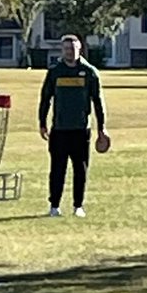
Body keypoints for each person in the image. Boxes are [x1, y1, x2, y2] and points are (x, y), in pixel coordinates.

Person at [38, 34, 109, 217]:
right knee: (57, 169)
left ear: (80, 49)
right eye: (66, 49)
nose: (70, 52)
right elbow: (46, 98)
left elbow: (98, 101)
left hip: (80, 129)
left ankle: (78, 205)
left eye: (73, 49)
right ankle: (54, 206)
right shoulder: (55, 71)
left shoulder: (90, 72)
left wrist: (102, 128)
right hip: (60, 129)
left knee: (80, 169)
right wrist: (42, 123)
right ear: (62, 51)